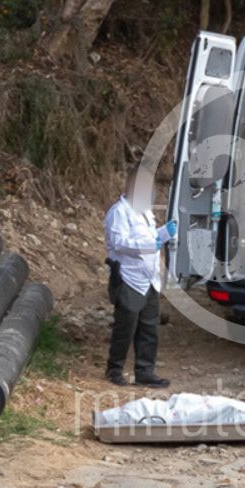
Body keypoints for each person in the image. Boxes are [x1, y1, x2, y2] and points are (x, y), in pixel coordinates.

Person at [103, 166, 175, 388]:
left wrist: (164, 234)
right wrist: (147, 244)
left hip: (150, 279)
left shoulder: (144, 212)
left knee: (149, 328)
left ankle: (145, 371)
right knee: (126, 327)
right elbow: (119, 242)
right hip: (129, 279)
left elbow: (151, 237)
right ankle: (114, 369)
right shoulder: (119, 212)